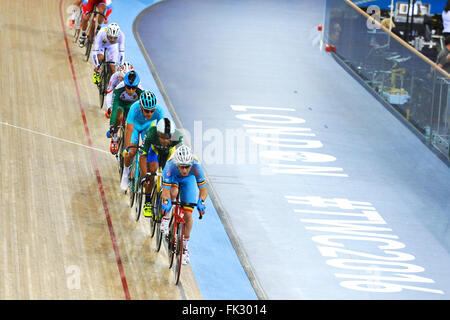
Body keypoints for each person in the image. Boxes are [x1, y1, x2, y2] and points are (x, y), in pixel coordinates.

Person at [160, 144, 208, 265]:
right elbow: (165, 190)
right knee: (173, 192)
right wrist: (167, 201)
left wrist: (201, 201)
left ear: (190, 164)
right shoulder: (170, 165)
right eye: (182, 167)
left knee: (187, 215)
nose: (185, 170)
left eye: (187, 166)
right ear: (177, 164)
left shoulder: (196, 165)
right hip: (174, 178)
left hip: (189, 181)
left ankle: (185, 247)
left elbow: (203, 190)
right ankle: (165, 218)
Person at [120, 91, 165, 191]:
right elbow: (129, 130)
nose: (149, 113)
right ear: (141, 107)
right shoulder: (134, 108)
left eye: (152, 111)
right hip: (134, 127)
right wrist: (126, 149)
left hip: (147, 128)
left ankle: (142, 176)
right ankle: (125, 173)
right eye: (147, 111)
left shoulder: (159, 111)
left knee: (148, 154)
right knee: (131, 152)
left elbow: (162, 130)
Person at [140, 118, 183, 217]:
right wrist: (145, 176)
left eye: (168, 137)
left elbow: (179, 160)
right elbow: (143, 156)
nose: (165, 140)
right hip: (155, 152)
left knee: (170, 175)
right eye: (162, 137)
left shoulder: (178, 136)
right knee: (152, 169)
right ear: (157, 133)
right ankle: (148, 202)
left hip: (168, 155)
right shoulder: (151, 133)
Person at [107, 70, 144, 154]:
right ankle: (115, 137)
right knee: (119, 115)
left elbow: (142, 108)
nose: (131, 90)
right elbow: (115, 106)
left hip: (132, 106)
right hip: (121, 105)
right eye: (128, 87)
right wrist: (112, 125)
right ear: (124, 84)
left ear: (137, 86)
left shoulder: (141, 91)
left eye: (133, 88)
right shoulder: (118, 88)